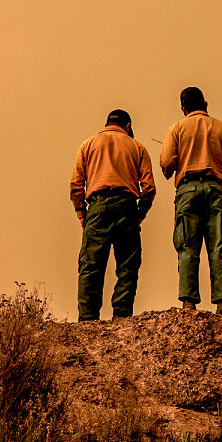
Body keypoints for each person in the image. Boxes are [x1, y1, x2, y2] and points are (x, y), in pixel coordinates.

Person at [161, 86, 222, 315]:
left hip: (187, 191)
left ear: (183, 108)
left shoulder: (176, 129)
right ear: (206, 104)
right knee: (220, 246)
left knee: (188, 247)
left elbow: (167, 165)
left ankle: (189, 303)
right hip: (217, 191)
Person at [69, 109, 156, 322]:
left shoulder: (88, 144)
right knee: (127, 264)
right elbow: (149, 188)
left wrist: (82, 212)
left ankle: (88, 318)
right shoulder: (138, 148)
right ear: (128, 126)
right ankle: (122, 315)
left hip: (97, 207)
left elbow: (76, 184)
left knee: (91, 264)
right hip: (127, 207)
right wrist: (140, 213)